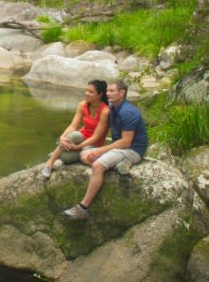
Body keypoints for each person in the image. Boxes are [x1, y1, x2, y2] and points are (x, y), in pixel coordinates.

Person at [63, 78, 148, 221]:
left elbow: (126, 142)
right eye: (107, 90)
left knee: (97, 165)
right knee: (84, 156)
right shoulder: (113, 107)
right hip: (119, 148)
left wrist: (100, 150)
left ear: (122, 93)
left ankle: (82, 209)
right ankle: (120, 165)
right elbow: (91, 113)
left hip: (132, 150)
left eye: (111, 91)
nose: (107, 93)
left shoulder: (128, 112)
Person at [40, 80, 110, 178]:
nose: (87, 93)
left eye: (91, 92)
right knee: (74, 135)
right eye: (86, 90)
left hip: (94, 143)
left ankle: (57, 153)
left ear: (100, 95)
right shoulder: (82, 105)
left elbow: (96, 137)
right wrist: (62, 137)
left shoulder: (105, 111)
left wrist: (78, 147)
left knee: (67, 158)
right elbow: (73, 126)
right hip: (80, 137)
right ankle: (49, 163)